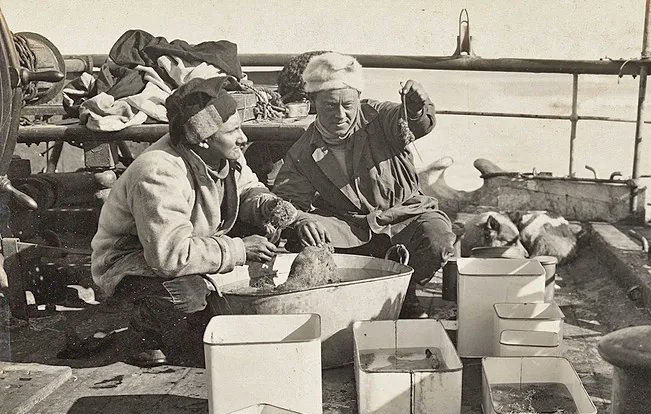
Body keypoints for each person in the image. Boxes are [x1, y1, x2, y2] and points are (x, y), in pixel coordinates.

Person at [91, 77, 293, 367]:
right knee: (187, 295)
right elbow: (169, 256)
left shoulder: (223, 154)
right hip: (129, 262)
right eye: (232, 131)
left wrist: (266, 204)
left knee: (260, 232)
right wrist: (238, 249)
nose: (243, 138)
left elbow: (246, 187)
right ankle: (143, 334)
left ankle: (197, 320)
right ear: (203, 137)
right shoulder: (158, 172)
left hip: (183, 245)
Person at [274, 52, 456, 318]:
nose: (340, 115)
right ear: (312, 102)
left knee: (438, 241)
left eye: (348, 105)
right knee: (303, 238)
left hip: (407, 215)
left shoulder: (379, 117)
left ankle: (405, 290)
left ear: (358, 97)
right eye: (330, 106)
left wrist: (416, 107)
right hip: (350, 227)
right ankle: (348, 295)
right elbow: (288, 202)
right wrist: (302, 221)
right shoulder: (302, 152)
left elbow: (411, 123)